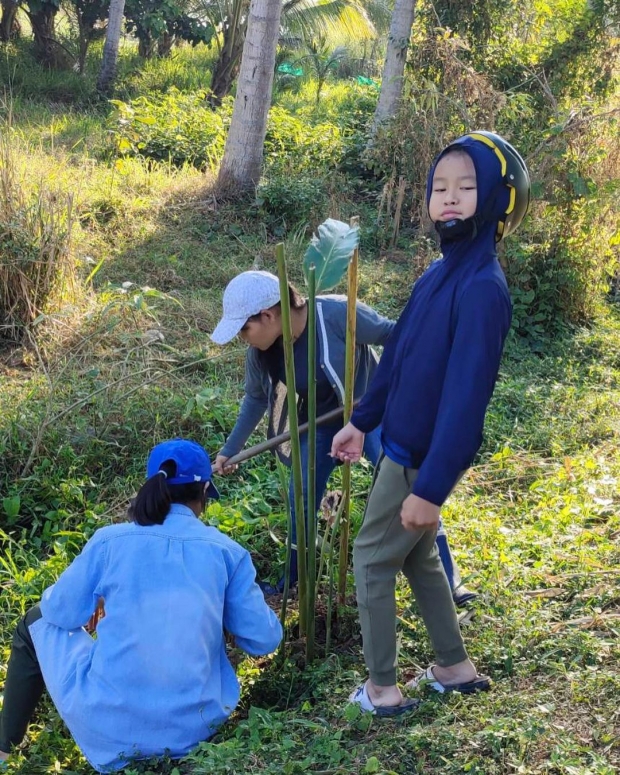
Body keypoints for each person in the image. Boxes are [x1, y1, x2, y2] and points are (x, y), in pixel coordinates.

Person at [331, 131, 531, 715]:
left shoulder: (482, 291)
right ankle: (452, 666)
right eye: (439, 187)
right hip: (397, 444)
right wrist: (361, 422)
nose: (449, 198)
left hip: (419, 456)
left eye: (466, 188)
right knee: (418, 558)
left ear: (498, 201)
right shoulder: (436, 275)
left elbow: (466, 407)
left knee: (372, 557)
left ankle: (382, 689)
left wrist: (430, 489)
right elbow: (396, 359)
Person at [0, 439, 282, 772]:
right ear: (205, 491)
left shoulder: (110, 541)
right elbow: (264, 639)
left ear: (151, 485)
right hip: (196, 730)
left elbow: (59, 613)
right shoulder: (227, 553)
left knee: (34, 620)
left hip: (109, 728)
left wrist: (96, 598)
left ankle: (3, 749)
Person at [210, 270, 473, 603]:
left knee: (408, 484)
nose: (242, 338)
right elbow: (256, 399)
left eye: (244, 329)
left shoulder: (335, 314)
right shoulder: (261, 353)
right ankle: (293, 581)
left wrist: (402, 381)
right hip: (319, 424)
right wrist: (230, 449)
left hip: (372, 413)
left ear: (268, 315)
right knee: (301, 497)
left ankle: (449, 580)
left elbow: (395, 336)